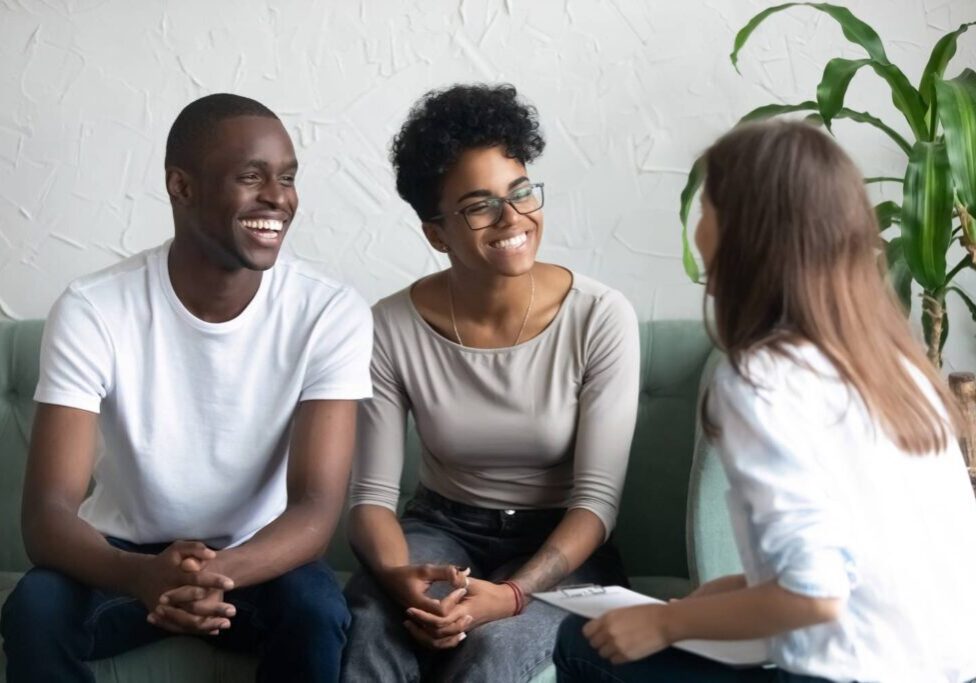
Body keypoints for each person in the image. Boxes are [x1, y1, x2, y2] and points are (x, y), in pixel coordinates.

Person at [553, 120, 976, 682]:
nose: (695, 226)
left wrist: (665, 626)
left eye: (706, 207)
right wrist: (702, 606)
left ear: (746, 230)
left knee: (580, 643)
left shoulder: (765, 380)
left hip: (852, 673)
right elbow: (859, 562)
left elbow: (814, 596)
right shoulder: (897, 366)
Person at [0, 93, 373, 683]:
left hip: (261, 557)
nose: (278, 197)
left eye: (288, 177)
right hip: (121, 555)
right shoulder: (94, 308)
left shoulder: (330, 311)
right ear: (182, 186)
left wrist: (209, 575)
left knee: (316, 613)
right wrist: (141, 576)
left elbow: (315, 507)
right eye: (251, 176)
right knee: (34, 612)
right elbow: (47, 514)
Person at [340, 83, 641, 682]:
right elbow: (371, 498)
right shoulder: (390, 325)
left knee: (493, 652)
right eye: (479, 206)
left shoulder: (599, 316)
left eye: (520, 192)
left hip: (561, 543)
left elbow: (596, 503)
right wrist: (400, 579)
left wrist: (511, 595)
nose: (512, 219)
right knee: (374, 623)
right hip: (440, 527)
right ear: (436, 233)